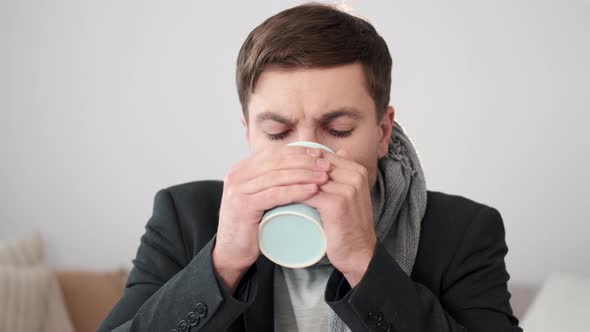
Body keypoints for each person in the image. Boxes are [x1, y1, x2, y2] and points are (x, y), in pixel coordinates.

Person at [98, 3, 522, 331]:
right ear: (249, 133)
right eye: (278, 133)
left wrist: (364, 262)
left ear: (381, 131)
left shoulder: (462, 232)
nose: (308, 156)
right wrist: (222, 263)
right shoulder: (185, 216)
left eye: (337, 128)